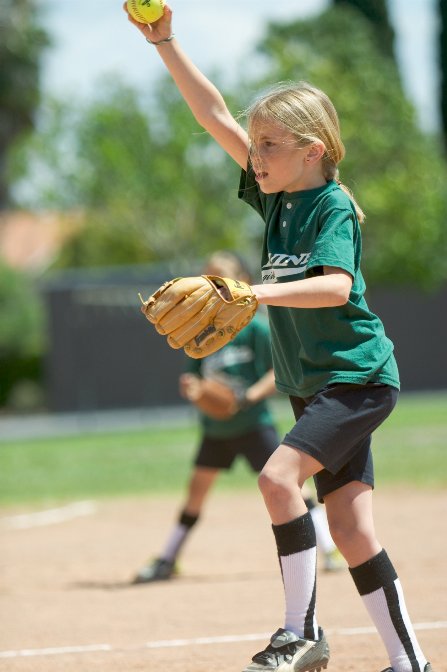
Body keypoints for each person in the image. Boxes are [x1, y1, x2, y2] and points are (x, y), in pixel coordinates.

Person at [124, 7, 434, 672]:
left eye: (269, 145)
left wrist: (253, 293)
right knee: (350, 531)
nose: (253, 154)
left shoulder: (330, 207)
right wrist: (166, 45)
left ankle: (300, 632)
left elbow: (333, 288)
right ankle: (409, 664)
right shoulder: (276, 196)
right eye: (255, 144)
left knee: (274, 477)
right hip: (313, 384)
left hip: (355, 377)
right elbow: (213, 117)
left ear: (310, 151)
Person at [133, 251, 343, 584]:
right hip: (216, 427)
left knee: (290, 487)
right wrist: (194, 389)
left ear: (239, 282)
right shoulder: (198, 332)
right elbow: (196, 377)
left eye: (218, 279)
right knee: (196, 491)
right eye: (206, 278)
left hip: (252, 423)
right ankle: (168, 558)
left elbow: (278, 372)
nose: (208, 288)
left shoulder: (256, 330)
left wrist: (247, 397)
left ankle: (330, 550)